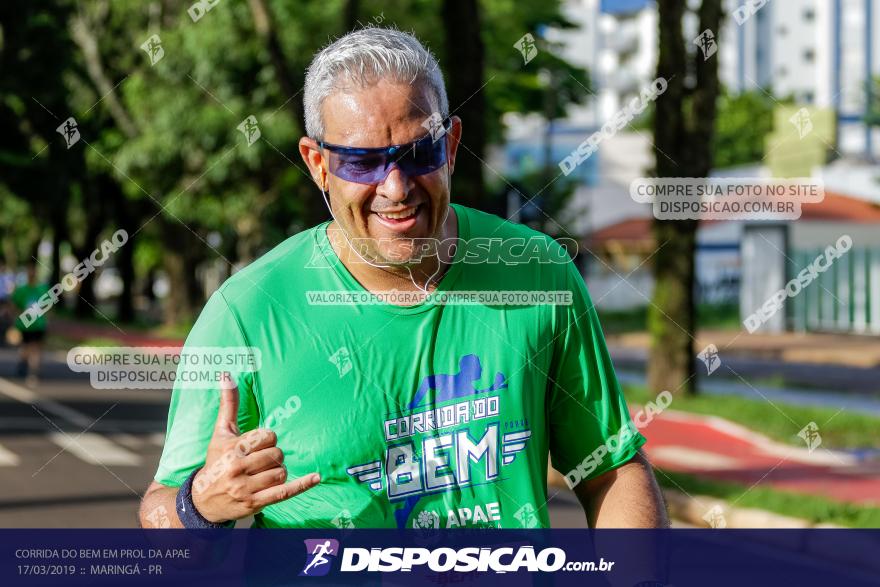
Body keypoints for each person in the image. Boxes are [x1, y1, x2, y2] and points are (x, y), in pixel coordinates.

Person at [139, 27, 667, 530]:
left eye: (419, 153)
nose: (395, 188)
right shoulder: (248, 312)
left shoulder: (537, 271)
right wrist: (198, 507)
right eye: (361, 163)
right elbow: (161, 515)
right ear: (317, 163)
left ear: (452, 144)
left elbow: (609, 471)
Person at [9, 265, 50, 387]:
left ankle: (33, 373)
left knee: (35, 348)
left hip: (38, 325)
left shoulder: (42, 289)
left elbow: (48, 307)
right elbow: (14, 305)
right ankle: (24, 362)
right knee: (28, 347)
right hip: (25, 325)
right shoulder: (22, 290)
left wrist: (47, 320)